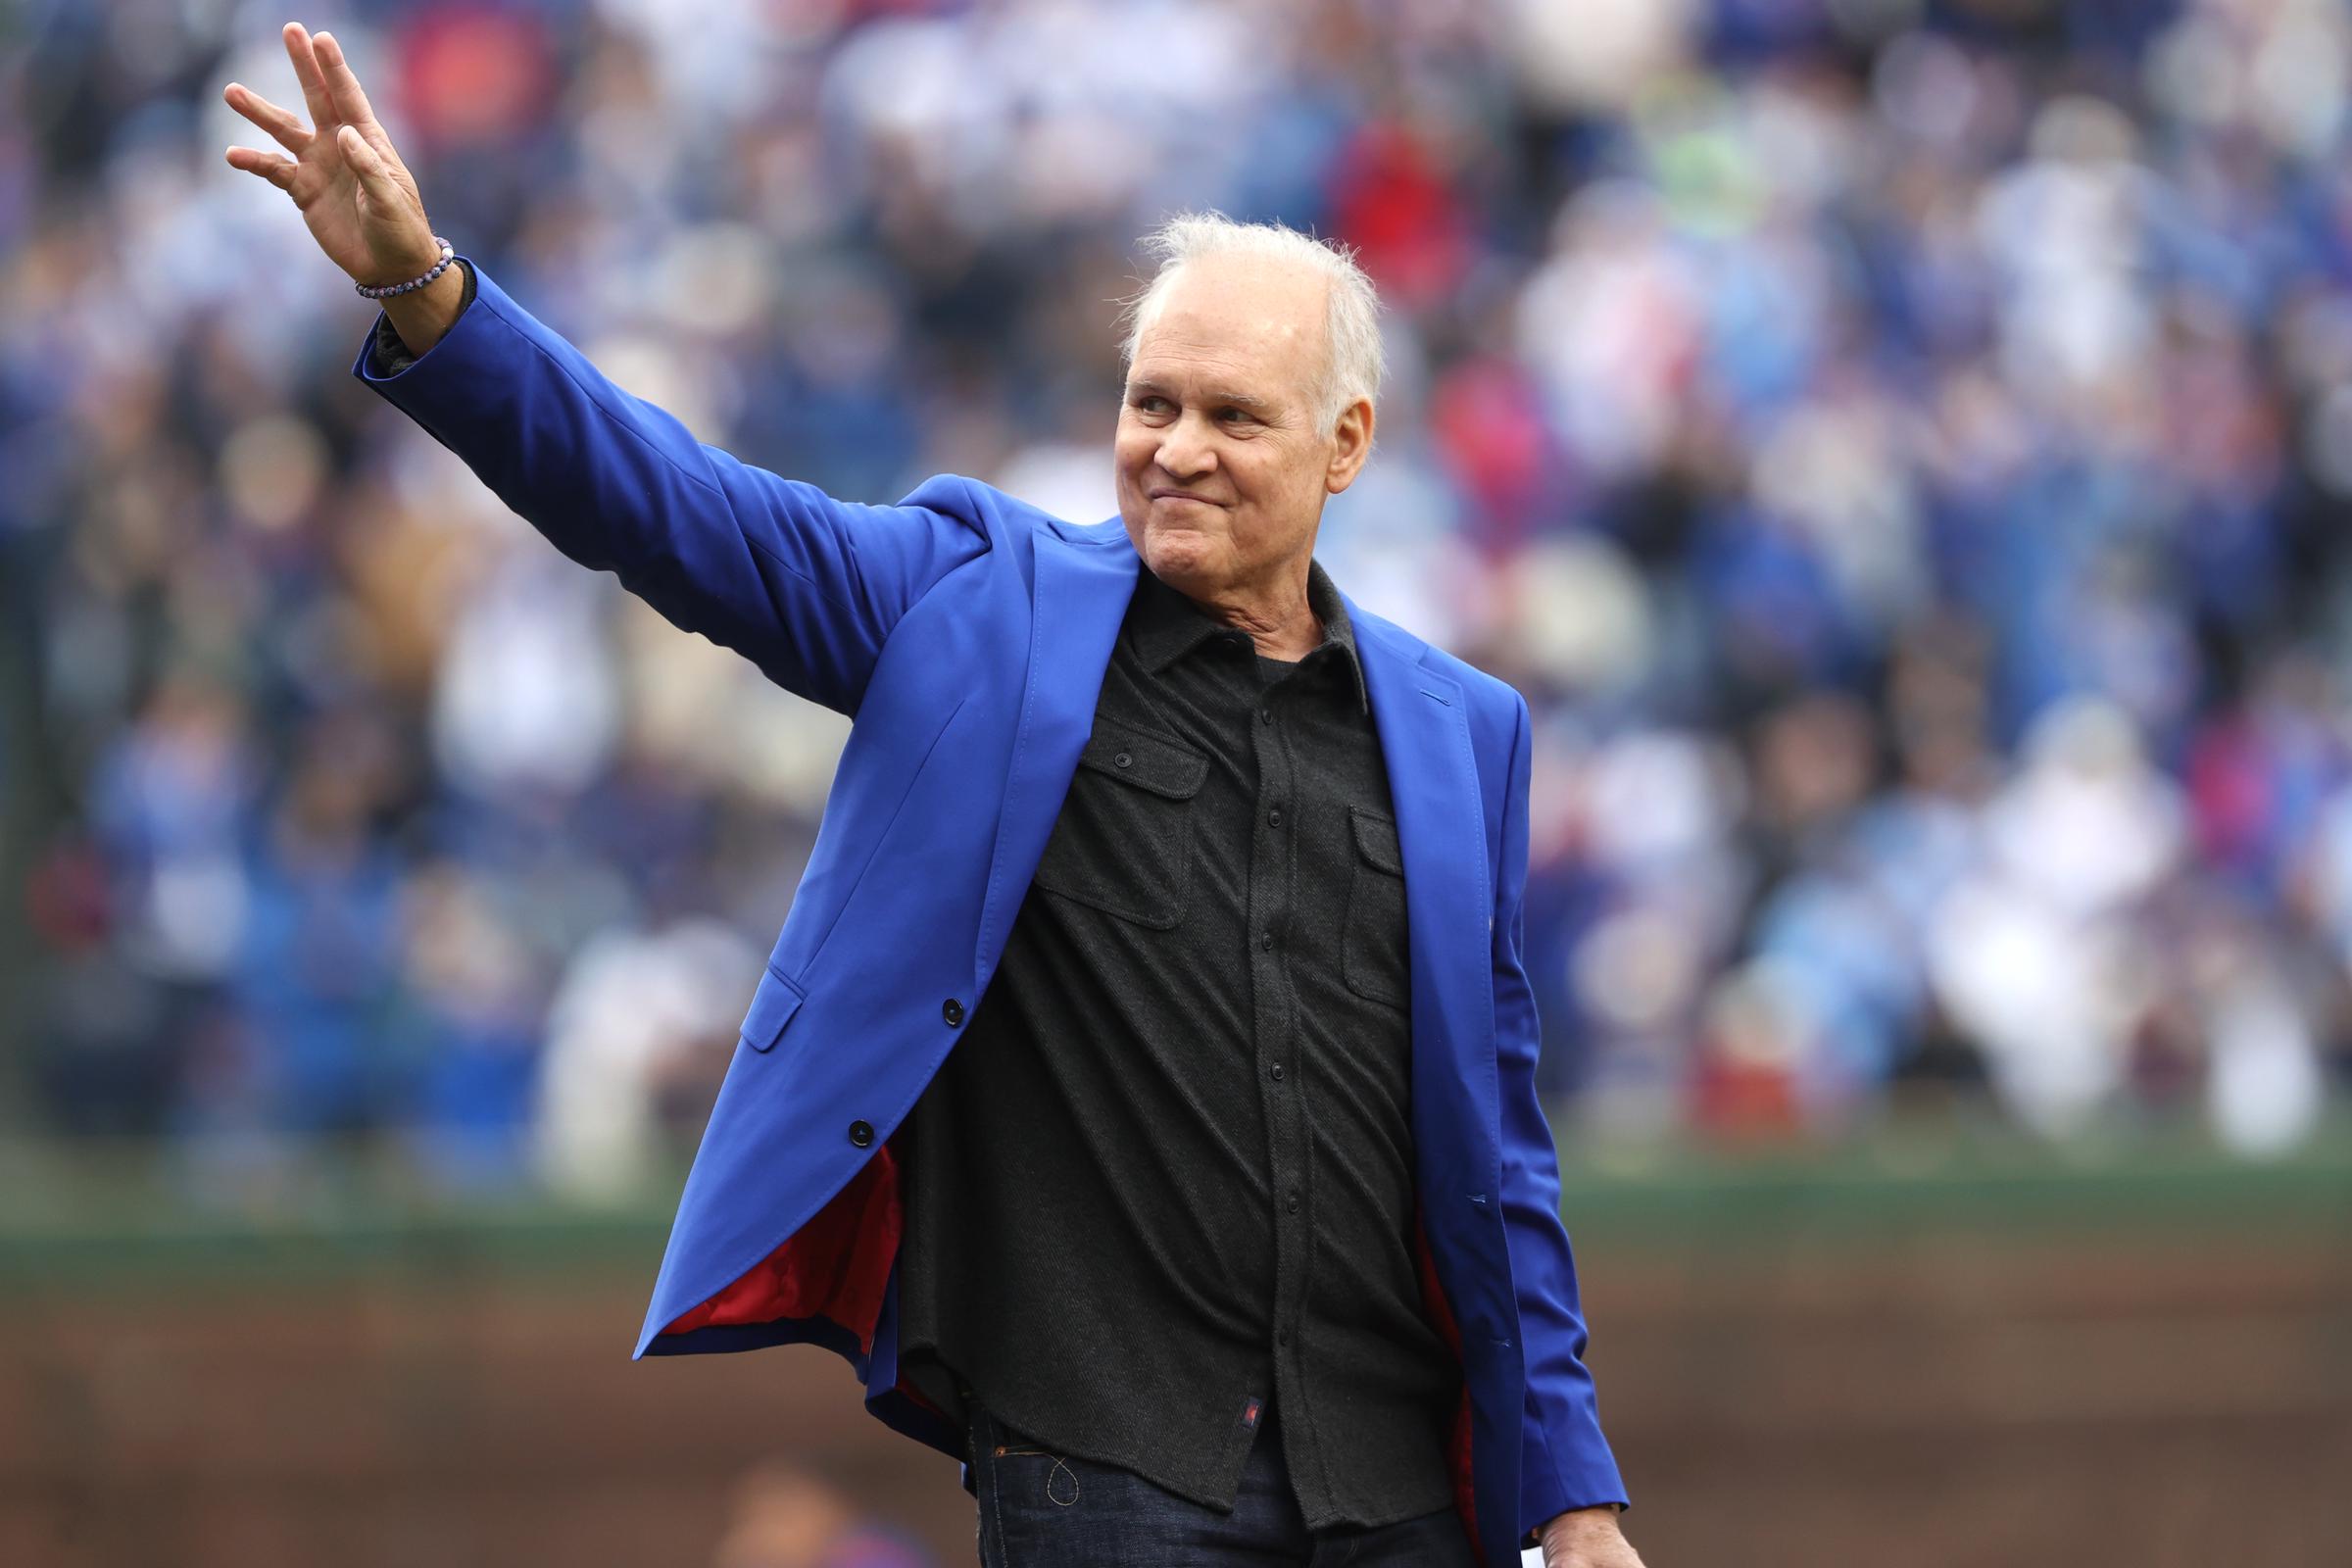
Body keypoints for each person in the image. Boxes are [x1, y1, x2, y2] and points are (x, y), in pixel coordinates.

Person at [224, 22, 1643, 1568]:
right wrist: (427, 289)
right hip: (1108, 1479)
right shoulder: (978, 606)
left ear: (1347, 446)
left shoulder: (1463, 734)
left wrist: (1570, 1498)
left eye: (1234, 418)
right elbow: (677, 511)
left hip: (1396, 1495)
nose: (1176, 450)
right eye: (1150, 402)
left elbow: (1499, 1160)